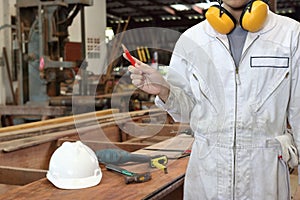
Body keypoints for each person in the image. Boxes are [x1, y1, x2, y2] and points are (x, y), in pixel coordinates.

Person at [124, 0, 300, 199]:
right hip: (206, 176)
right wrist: (164, 91)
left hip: (265, 177)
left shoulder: (290, 35)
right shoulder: (193, 39)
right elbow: (185, 112)